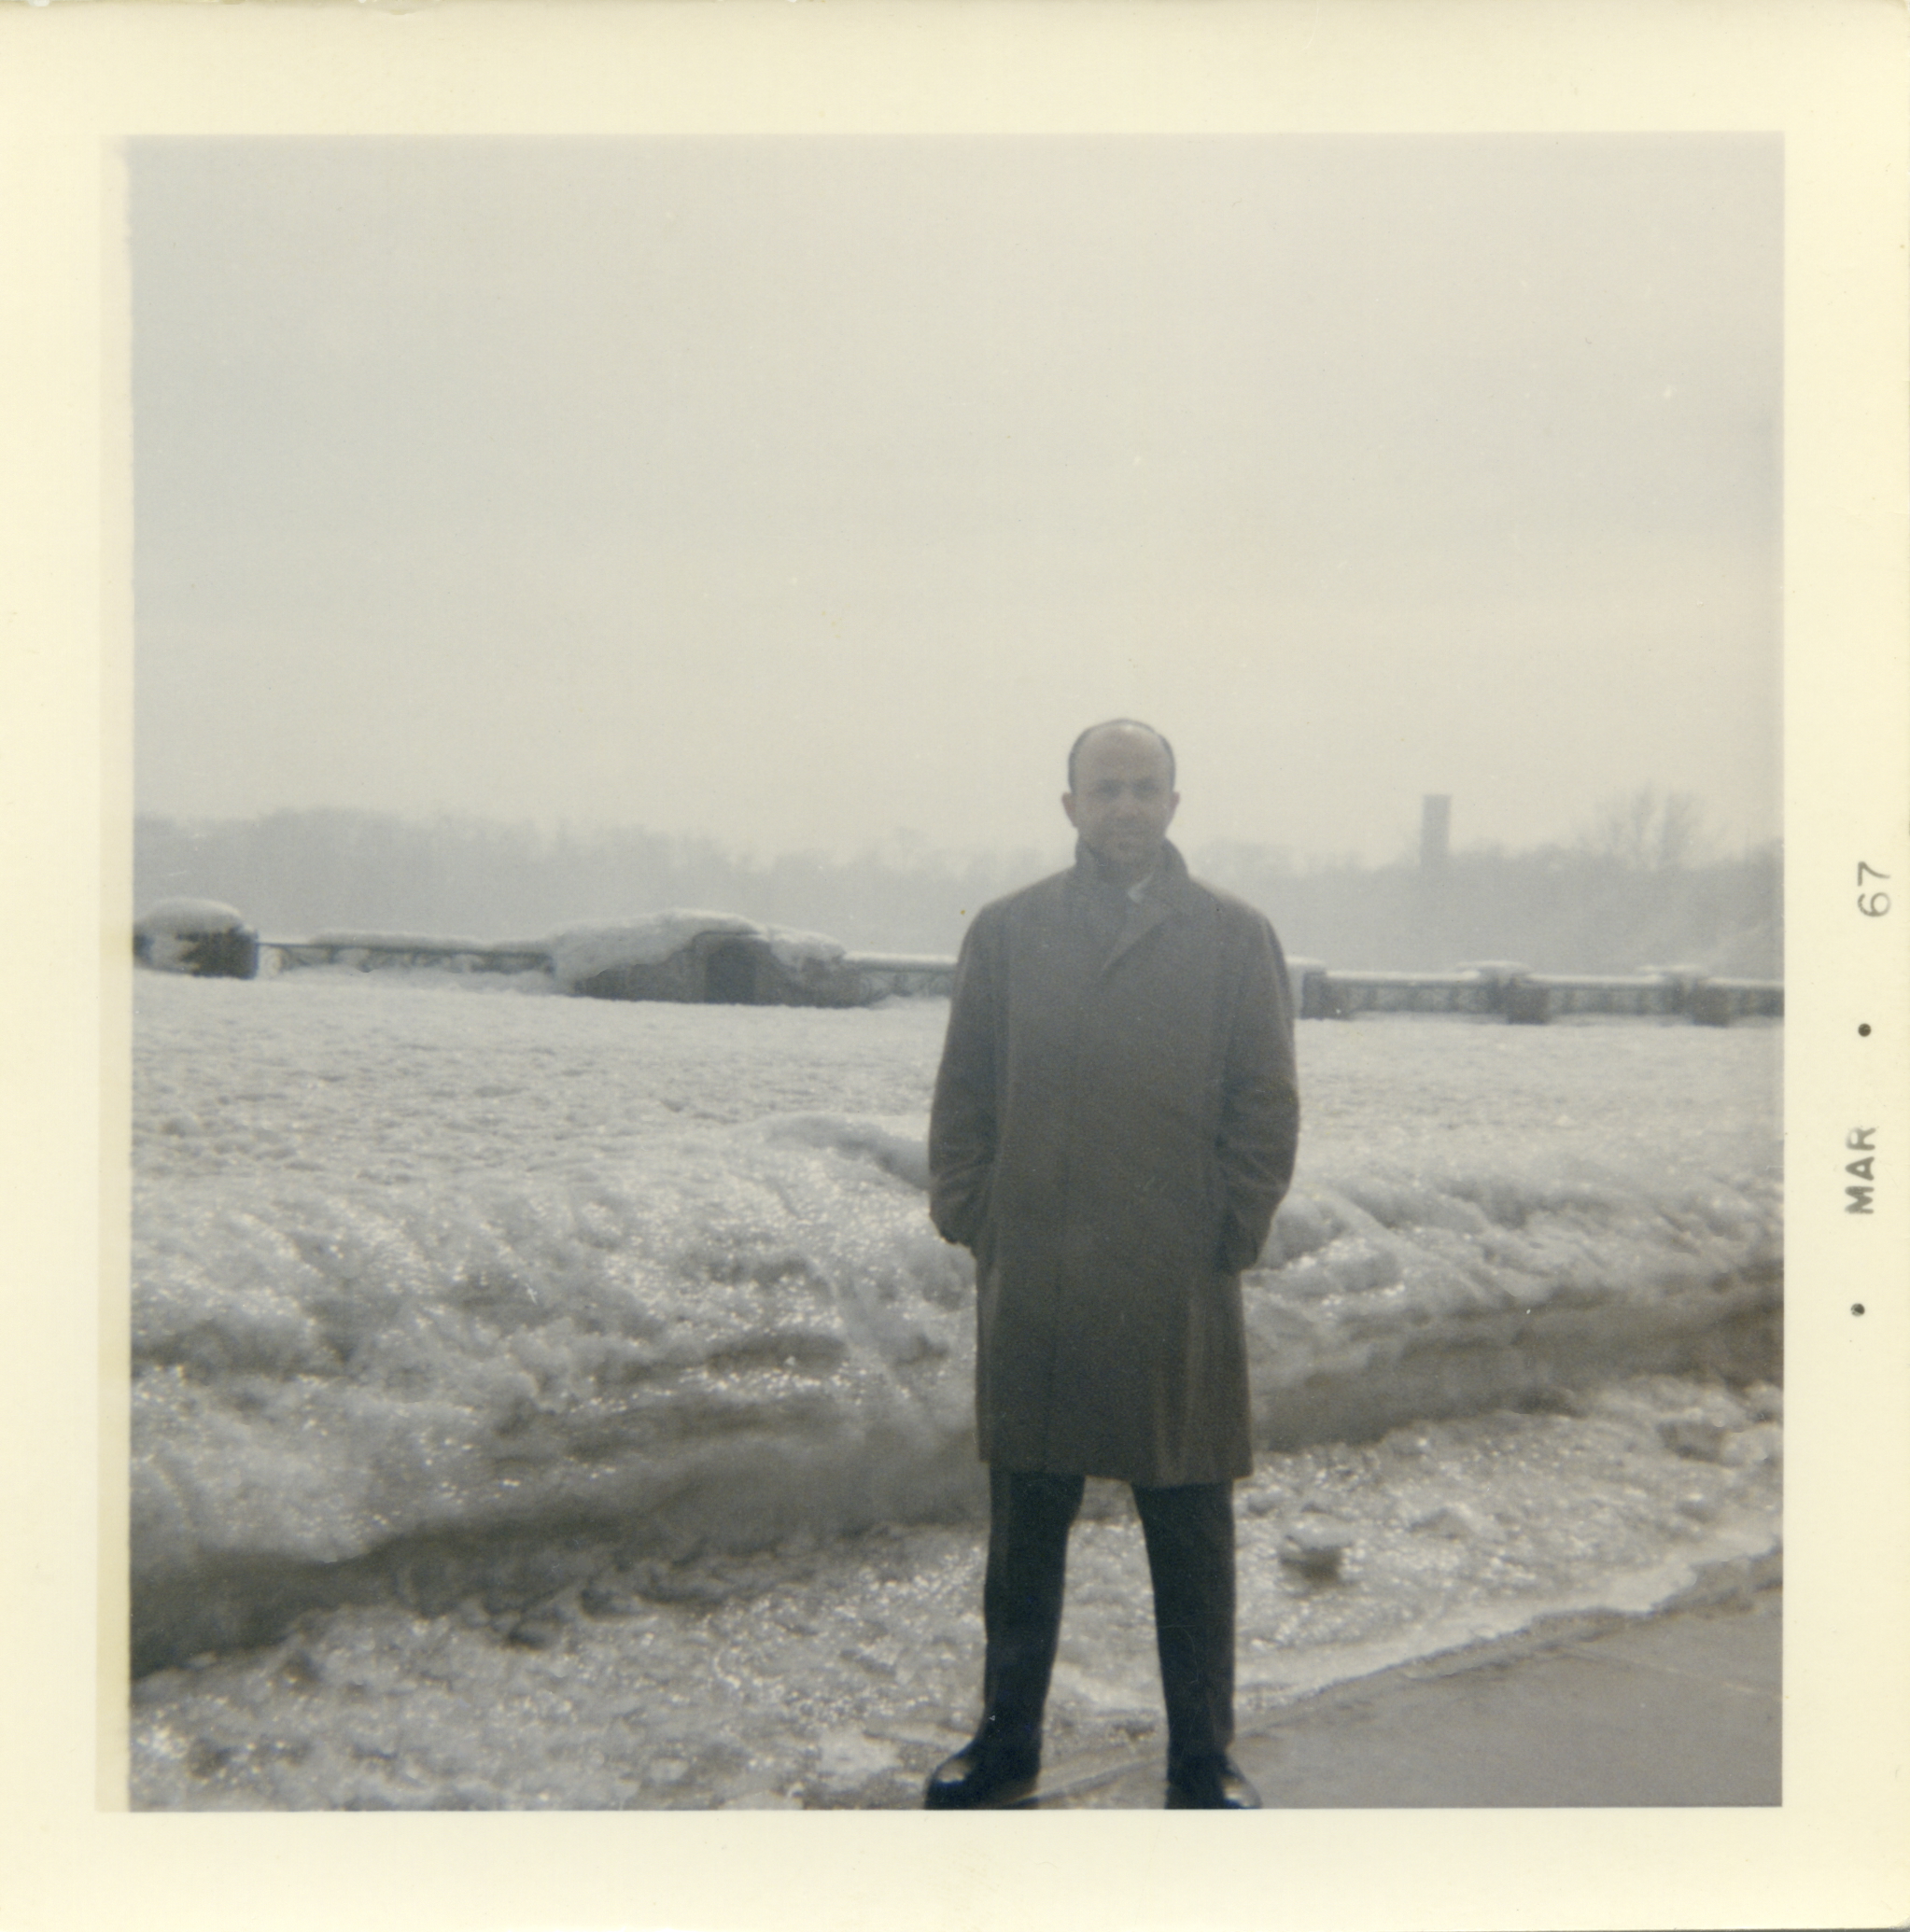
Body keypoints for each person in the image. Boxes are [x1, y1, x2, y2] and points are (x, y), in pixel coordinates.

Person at [923, 719, 1301, 1810]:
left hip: (1173, 1277)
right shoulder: (1007, 932)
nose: (1127, 807)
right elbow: (965, 1096)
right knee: (1025, 1531)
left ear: (1176, 806)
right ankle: (1005, 1745)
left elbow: (1265, 1105)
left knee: (1189, 1525)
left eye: (1146, 789)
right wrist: (977, 1214)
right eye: (1107, 789)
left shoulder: (1234, 938)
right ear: (1071, 807)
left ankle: (1202, 1758)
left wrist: (1225, 1232)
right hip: (1039, 1270)